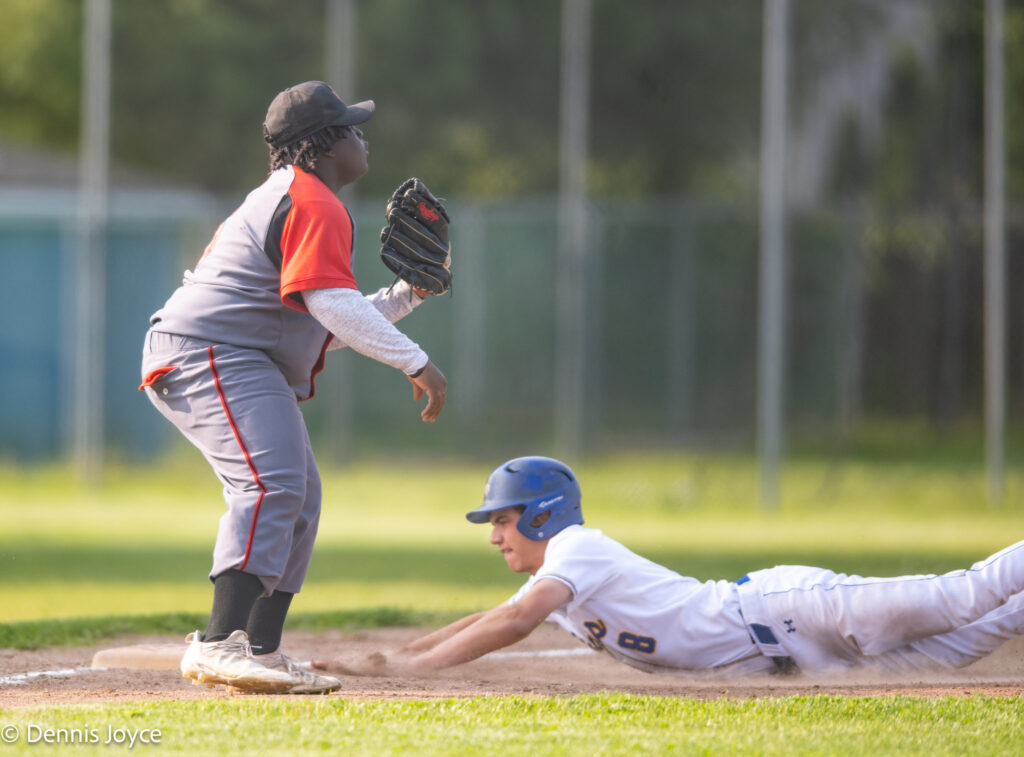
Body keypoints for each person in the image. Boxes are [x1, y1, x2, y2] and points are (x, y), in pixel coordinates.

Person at [139, 81, 447, 694]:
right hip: (207, 354)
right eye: (352, 128)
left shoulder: (303, 197)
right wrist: (417, 364)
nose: (363, 138)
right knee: (271, 485)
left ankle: (261, 649)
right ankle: (218, 644)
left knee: (299, 495)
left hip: (232, 355)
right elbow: (331, 307)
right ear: (323, 145)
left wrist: (409, 296)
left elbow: (321, 316)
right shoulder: (309, 199)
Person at [315, 456, 1024, 679]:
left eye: (500, 519)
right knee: (985, 632)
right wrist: (398, 653)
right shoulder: (560, 575)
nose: (495, 534)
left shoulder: (577, 550)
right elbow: (488, 616)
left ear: (539, 515)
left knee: (966, 595)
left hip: (792, 608)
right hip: (804, 661)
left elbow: (510, 621)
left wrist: (414, 670)